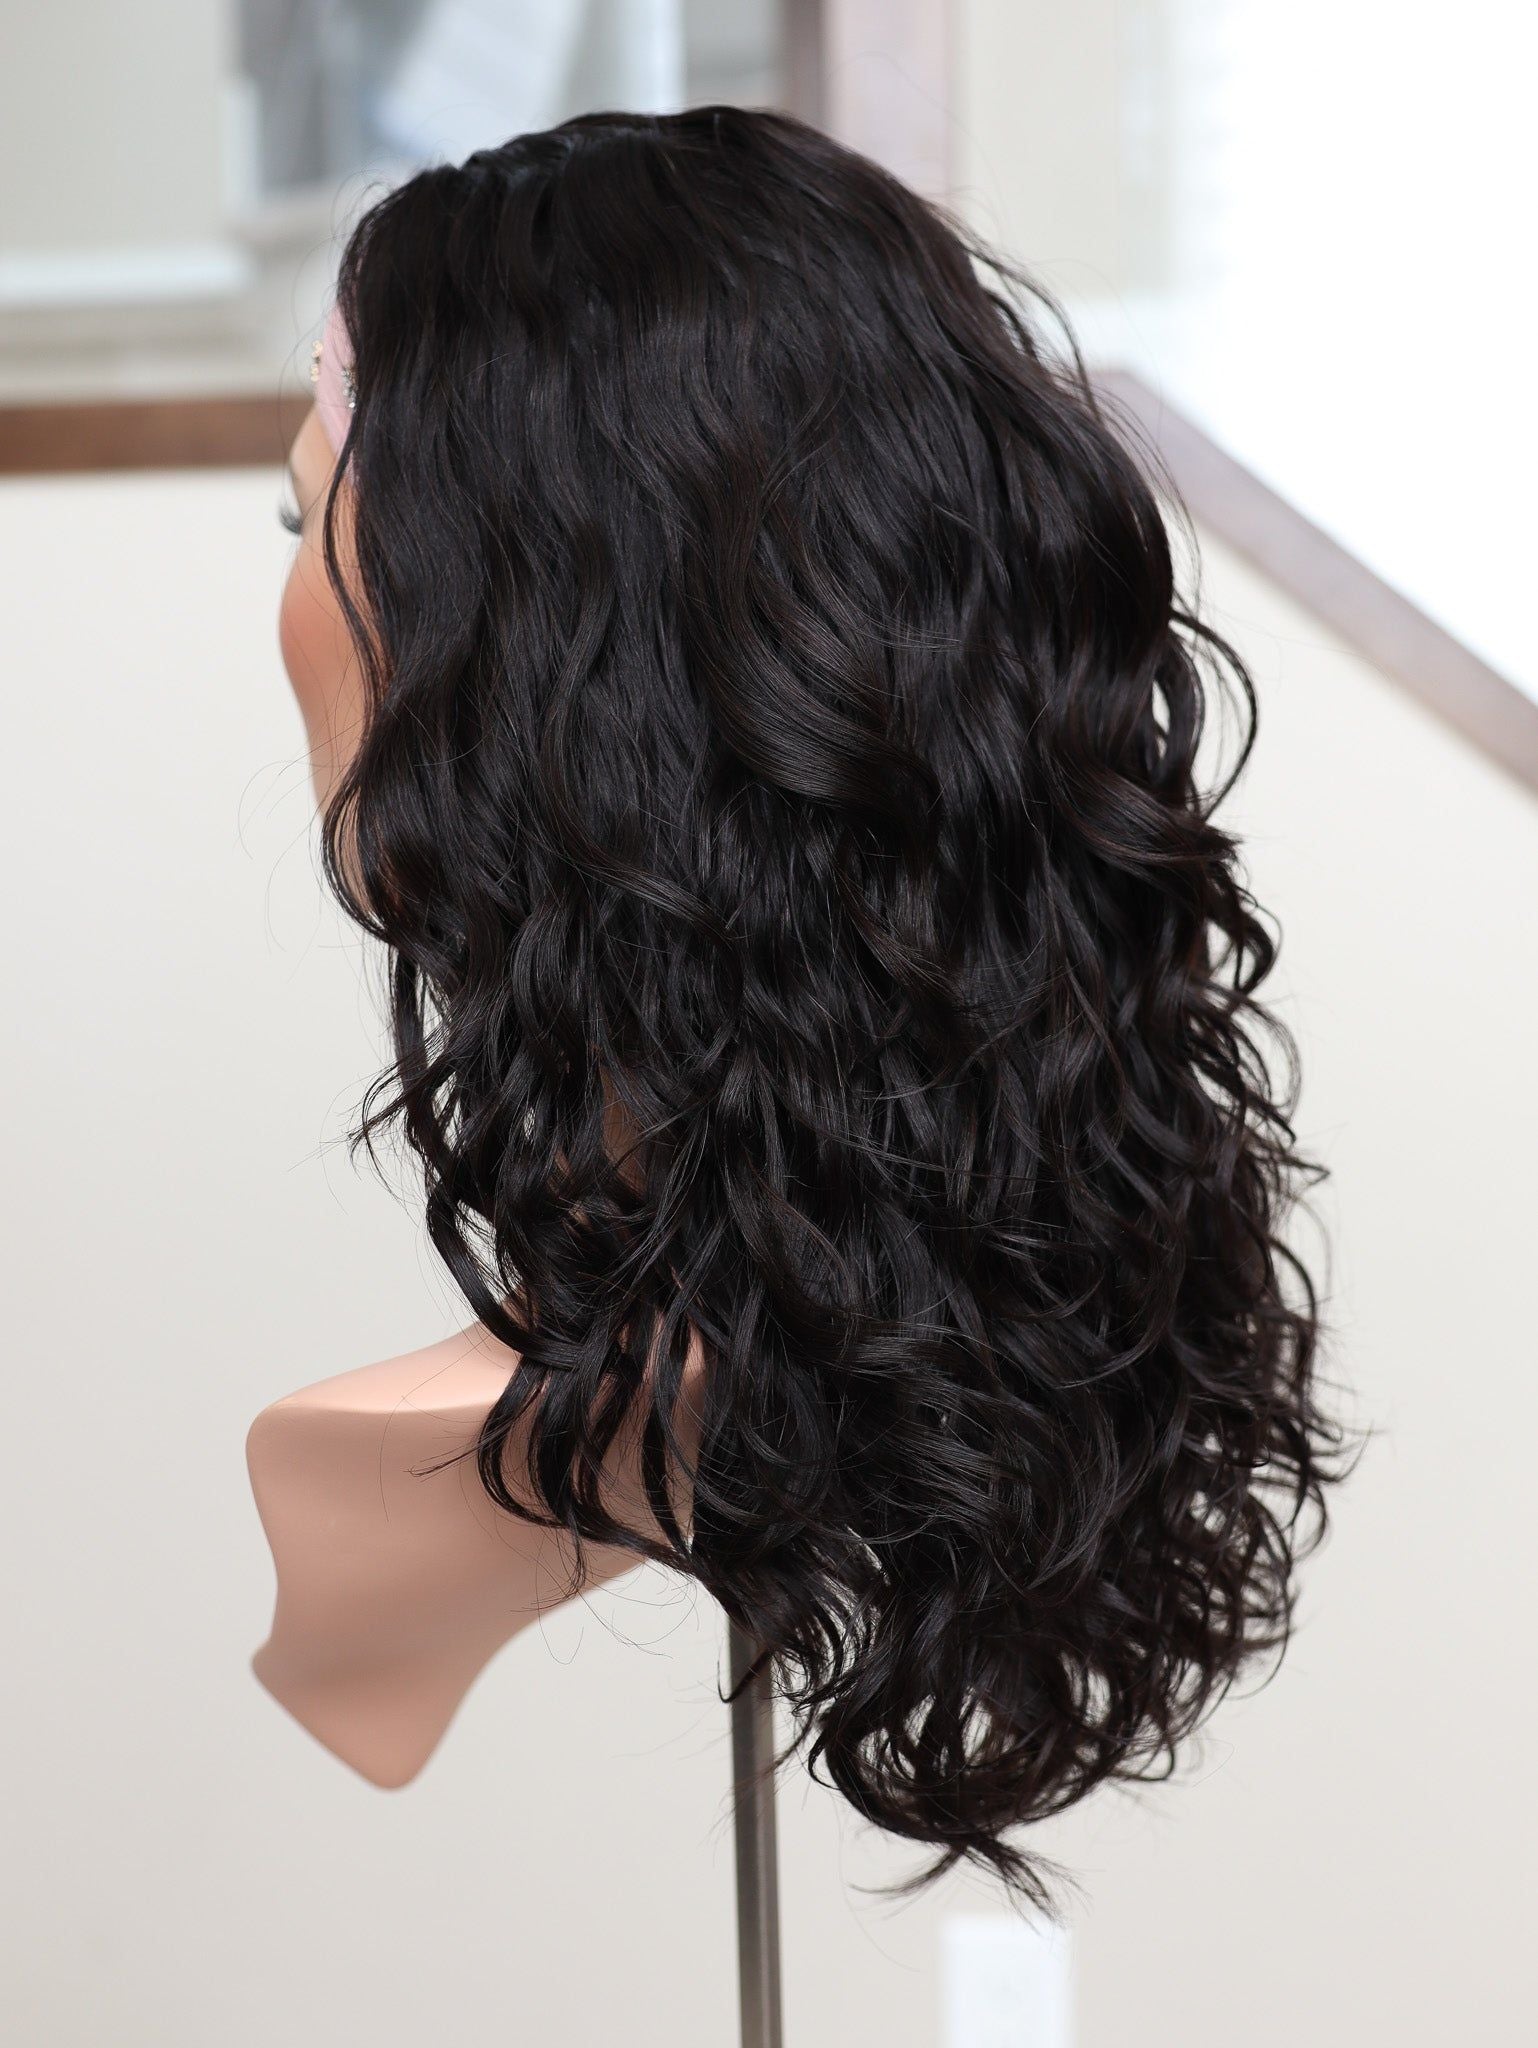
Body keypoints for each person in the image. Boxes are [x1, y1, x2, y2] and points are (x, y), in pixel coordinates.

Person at [250, 105, 1342, 1904]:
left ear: (538, 638)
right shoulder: (1041, 1291)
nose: (289, 604)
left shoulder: (357, 1473)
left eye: (309, 517)